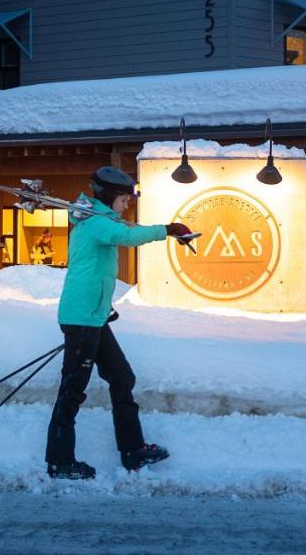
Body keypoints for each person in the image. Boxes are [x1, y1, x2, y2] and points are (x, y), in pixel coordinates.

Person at [45, 166, 192, 480]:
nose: (127, 205)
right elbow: (126, 236)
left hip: (93, 316)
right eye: (125, 199)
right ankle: (60, 462)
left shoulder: (99, 220)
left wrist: (102, 306)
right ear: (111, 196)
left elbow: (106, 254)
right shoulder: (96, 223)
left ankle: (133, 449)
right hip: (81, 319)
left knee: (122, 377)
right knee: (72, 390)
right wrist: (167, 229)